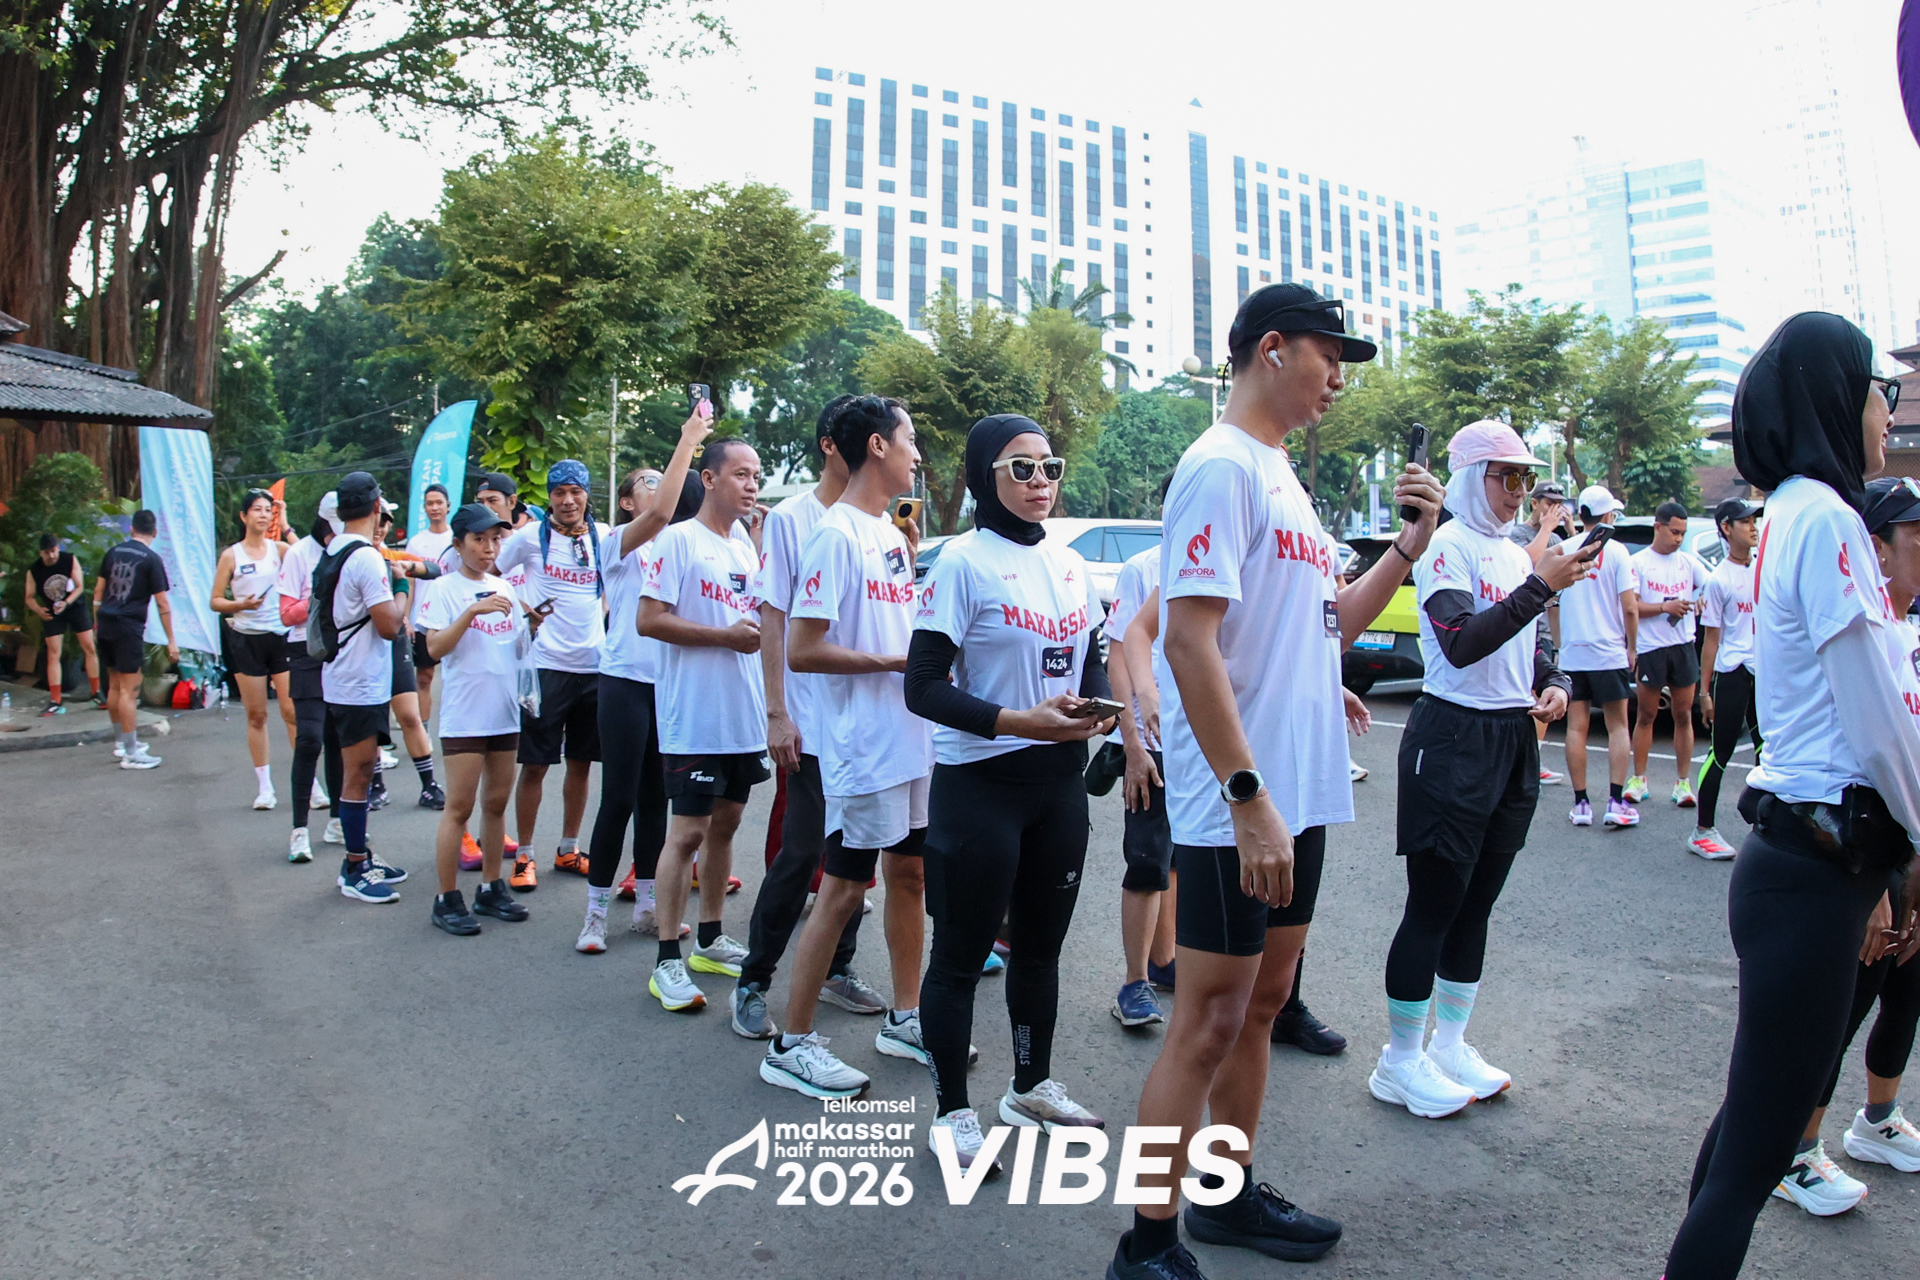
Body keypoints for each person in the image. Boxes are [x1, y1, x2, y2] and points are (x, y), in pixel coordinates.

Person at [1108, 284, 1445, 1280]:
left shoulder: (1282, 476)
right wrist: (1247, 794)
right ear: (1271, 349)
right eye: (1328, 355)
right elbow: (1186, 637)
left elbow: (1327, 621)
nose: (1339, 377)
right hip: (1239, 800)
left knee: (1264, 1002)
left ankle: (1227, 1192)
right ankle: (1147, 1240)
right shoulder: (1220, 466)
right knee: (1206, 1017)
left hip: (1299, 791)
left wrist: (1408, 548)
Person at [1663, 313, 1920, 1279]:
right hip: (1814, 866)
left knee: (1752, 1127)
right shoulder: (1829, 520)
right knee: (1758, 1153)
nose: (1886, 413)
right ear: (1831, 398)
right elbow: (1879, 715)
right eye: (1877, 391)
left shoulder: (1802, 513)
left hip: (1808, 863)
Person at [904, 414, 1114, 1166]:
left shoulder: (1071, 564)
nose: (1039, 482)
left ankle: (1030, 1086)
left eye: (1049, 467)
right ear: (982, 478)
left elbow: (1091, 657)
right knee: (959, 959)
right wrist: (1017, 721)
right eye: (1020, 468)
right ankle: (952, 1114)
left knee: (1040, 951)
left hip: (1056, 786)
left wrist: (1095, 705)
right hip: (979, 787)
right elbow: (922, 686)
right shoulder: (962, 564)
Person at [1368, 422, 1583, 1120]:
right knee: (1434, 905)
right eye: (1506, 476)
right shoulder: (1446, 546)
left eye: (1527, 478)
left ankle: (1451, 1043)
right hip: (1451, 736)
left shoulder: (1515, 554)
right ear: (1468, 477)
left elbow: (1534, 643)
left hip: (1511, 735)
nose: (1520, 492)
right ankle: (1400, 1059)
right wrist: (1540, 585)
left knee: (1478, 903)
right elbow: (1461, 642)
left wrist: (1555, 682)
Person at [760, 395, 933, 1097]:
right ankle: (791, 1044)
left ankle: (906, 1017)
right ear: (877, 447)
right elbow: (803, 649)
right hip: (864, 746)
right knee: (841, 890)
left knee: (910, 877)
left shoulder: (889, 532)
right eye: (909, 439)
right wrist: (892, 663)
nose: (917, 453)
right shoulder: (833, 536)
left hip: (911, 738)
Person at [1768, 475, 1920, 1217]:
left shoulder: (1908, 631)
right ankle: (1796, 1152)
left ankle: (1878, 1120)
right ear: (1876, 551)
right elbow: (1855, 759)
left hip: (1907, 850)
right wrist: (1872, 884)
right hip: (1860, 850)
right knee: (1840, 1011)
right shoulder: (1861, 637)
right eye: (1917, 535)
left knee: (1908, 993)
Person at [730, 397, 882, 1040]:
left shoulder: (879, 522)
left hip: (868, 726)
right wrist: (777, 712)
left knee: (855, 860)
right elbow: (774, 619)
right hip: (813, 723)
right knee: (800, 855)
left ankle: (837, 969)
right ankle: (753, 982)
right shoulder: (794, 520)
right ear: (834, 444)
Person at [638, 438, 770, 1011]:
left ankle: (711, 939)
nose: (751, 485)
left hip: (742, 717)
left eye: (756, 476)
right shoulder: (678, 540)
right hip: (693, 717)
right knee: (687, 833)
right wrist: (723, 637)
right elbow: (648, 620)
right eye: (740, 474)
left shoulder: (743, 546)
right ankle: (667, 959)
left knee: (727, 825)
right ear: (710, 479)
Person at [577, 407, 712, 955]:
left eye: (662, 479)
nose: (658, 488)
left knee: (658, 799)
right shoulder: (617, 542)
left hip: (669, 686)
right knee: (618, 797)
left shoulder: (681, 543)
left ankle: (649, 905)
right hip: (624, 682)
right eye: (646, 483)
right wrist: (689, 438)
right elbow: (659, 514)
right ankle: (594, 913)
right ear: (628, 501)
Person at [496, 460, 612, 889]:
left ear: (586, 494)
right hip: (546, 666)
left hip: (594, 667)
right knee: (535, 765)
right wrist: (521, 608)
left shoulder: (604, 537)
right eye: (559, 492)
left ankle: (568, 848)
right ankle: (524, 855)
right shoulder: (529, 538)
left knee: (581, 764)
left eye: (575, 492)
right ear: (549, 496)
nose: (568, 501)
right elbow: (490, 573)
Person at [418, 502, 532, 935]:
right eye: (479, 540)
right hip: (465, 715)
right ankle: (446, 898)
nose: (489, 548)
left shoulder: (503, 587)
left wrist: (533, 625)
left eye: (495, 540)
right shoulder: (443, 589)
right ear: (458, 544)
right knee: (459, 808)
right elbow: (433, 649)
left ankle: (490, 887)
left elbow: (516, 648)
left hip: (504, 712)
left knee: (496, 804)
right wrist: (470, 613)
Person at [317, 472, 411, 905]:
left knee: (361, 770)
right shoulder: (366, 558)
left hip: (342, 675)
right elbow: (389, 625)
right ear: (376, 507)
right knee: (358, 775)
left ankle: (361, 855)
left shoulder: (334, 548)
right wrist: (402, 586)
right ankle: (355, 867)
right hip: (358, 682)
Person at [1107, 542, 1173, 1029]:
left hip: (1207, 739)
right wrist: (1132, 744)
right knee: (1148, 860)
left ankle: (1166, 962)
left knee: (1188, 859)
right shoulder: (1143, 568)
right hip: (1152, 742)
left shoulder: (1235, 558)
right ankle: (1135, 984)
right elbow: (1118, 657)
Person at [1558, 486, 1640, 830]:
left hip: (1573, 654)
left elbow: (1551, 603)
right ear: (1607, 516)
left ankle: (1581, 804)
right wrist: (1632, 647)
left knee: (1576, 727)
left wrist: (1561, 644)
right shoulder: (1618, 552)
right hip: (1609, 653)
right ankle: (1616, 800)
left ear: (1581, 515)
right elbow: (1630, 607)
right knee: (1617, 726)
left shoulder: (1564, 549)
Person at [211, 488, 297, 809]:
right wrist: (240, 605)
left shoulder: (280, 550)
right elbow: (215, 600)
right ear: (243, 516)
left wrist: (285, 523)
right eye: (257, 510)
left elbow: (309, 557)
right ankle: (264, 787)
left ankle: (309, 782)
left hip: (280, 636)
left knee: (292, 711)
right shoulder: (231, 555)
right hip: (246, 639)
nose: (263, 515)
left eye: (268, 510)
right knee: (257, 715)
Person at [1690, 497, 1763, 861]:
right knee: (1720, 754)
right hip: (1731, 674)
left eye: (1754, 520)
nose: (1753, 526)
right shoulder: (1718, 580)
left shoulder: (1763, 569)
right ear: (1726, 528)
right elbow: (1711, 640)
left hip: (1763, 674)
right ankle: (1702, 830)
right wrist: (1704, 692)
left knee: (1768, 754)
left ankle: (1766, 829)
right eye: (1745, 521)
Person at [1627, 501, 1708, 807]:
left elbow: (1711, 587)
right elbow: (1632, 607)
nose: (1678, 538)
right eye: (1674, 532)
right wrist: (1665, 607)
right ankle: (1639, 779)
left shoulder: (1689, 562)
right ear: (1658, 527)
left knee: (1684, 714)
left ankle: (1683, 783)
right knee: (1646, 715)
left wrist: (1702, 599)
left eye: (1682, 533)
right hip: (1651, 648)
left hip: (1683, 646)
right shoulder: (1638, 563)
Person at [366, 503, 442, 813]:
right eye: (376, 521)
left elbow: (434, 569)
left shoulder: (391, 555)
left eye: (385, 523)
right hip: (364, 645)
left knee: (409, 715)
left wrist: (409, 569)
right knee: (373, 719)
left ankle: (429, 785)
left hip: (395, 642)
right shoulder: (355, 557)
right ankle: (376, 785)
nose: (380, 528)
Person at [93, 510, 176, 770]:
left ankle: (122, 742)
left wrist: (97, 621)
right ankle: (131, 753)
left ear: (132, 529)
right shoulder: (151, 559)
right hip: (128, 627)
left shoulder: (113, 553)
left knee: (114, 686)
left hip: (105, 623)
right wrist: (171, 640)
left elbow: (98, 591)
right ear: (155, 532)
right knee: (129, 691)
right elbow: (162, 603)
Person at [277, 504, 336, 862]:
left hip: (342, 649)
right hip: (304, 649)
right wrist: (319, 594)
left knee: (339, 739)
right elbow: (286, 614)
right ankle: (299, 829)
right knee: (310, 738)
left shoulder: (353, 550)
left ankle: (339, 821)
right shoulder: (299, 553)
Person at [1509, 481, 1570, 786]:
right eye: (1549, 503)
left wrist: (1571, 533)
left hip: (1545, 625)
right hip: (1521, 625)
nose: (1554, 509)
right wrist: (1546, 528)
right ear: (1534, 503)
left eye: (1559, 504)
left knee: (1543, 695)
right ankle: (1521, 761)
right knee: (1525, 696)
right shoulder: (1517, 534)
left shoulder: (1557, 536)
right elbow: (1526, 563)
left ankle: (1534, 758)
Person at [25, 534, 102, 714]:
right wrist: (38, 610)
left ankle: (96, 692)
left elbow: (79, 586)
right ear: (41, 553)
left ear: (58, 548)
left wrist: (66, 602)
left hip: (75, 607)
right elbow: (29, 597)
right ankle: (55, 699)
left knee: (89, 646)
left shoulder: (69, 560)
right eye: (47, 553)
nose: (51, 556)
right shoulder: (34, 570)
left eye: (53, 551)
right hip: (52, 611)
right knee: (53, 653)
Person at [404, 482, 454, 726]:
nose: (434, 508)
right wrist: (406, 618)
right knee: (424, 677)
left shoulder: (457, 539)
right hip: (424, 620)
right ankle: (422, 731)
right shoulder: (416, 543)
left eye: (438, 503)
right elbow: (410, 584)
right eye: (429, 504)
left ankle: (455, 727)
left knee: (456, 675)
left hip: (454, 618)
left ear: (448, 506)